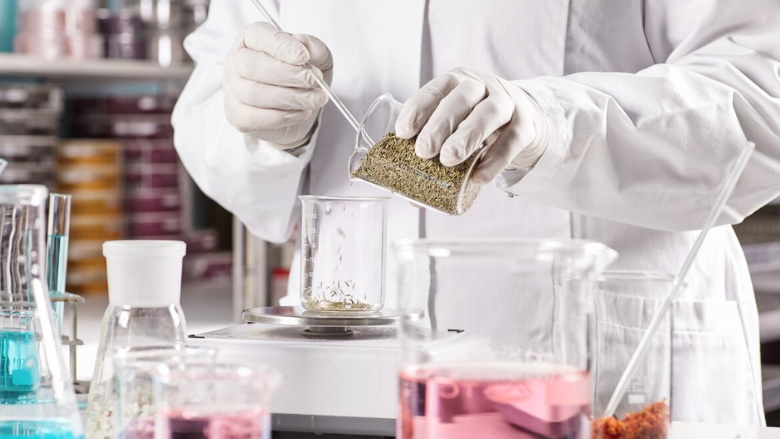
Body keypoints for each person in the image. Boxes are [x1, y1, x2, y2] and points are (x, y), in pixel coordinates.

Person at [172, 0, 780, 425]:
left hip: (614, 371)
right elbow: (209, 113)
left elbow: (762, 97)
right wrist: (262, 125)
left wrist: (550, 124)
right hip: (355, 377)